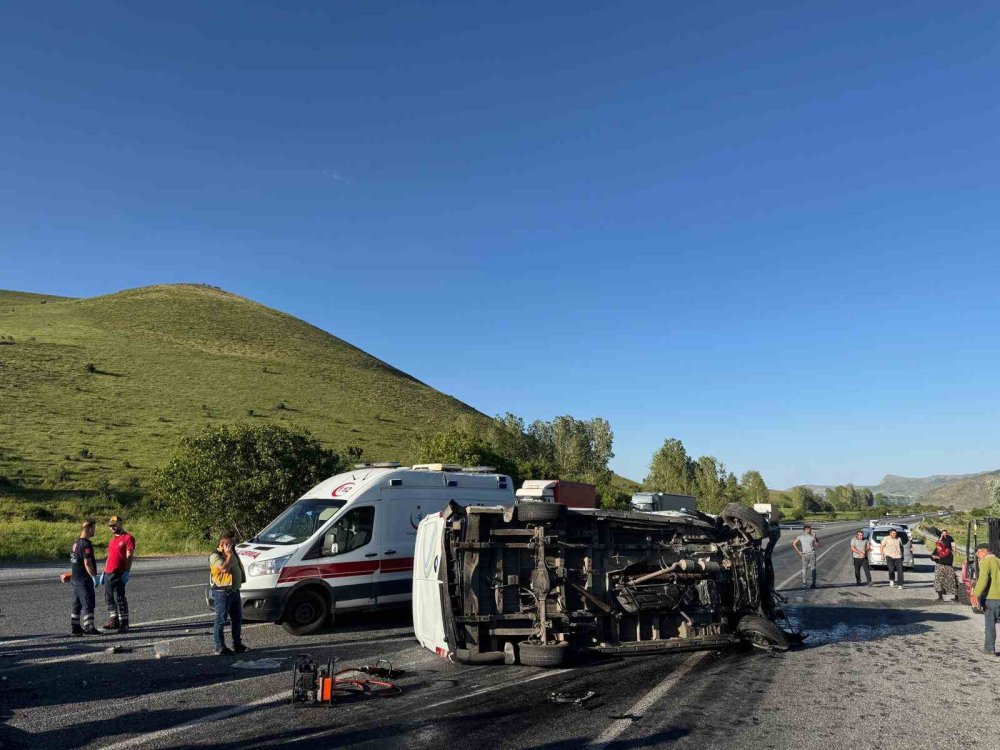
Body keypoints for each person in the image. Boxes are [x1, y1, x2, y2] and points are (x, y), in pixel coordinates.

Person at [209, 531, 248, 656]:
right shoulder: (215, 556)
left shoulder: (232, 551)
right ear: (222, 544)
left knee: (237, 619)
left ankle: (237, 644)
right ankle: (219, 647)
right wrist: (229, 555)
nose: (232, 545)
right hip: (222, 592)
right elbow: (223, 568)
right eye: (230, 543)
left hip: (234, 591)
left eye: (233, 542)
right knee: (220, 619)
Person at [102, 515, 136, 633]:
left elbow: (129, 556)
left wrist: (126, 571)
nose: (112, 527)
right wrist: (104, 571)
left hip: (118, 573)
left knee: (119, 598)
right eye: (110, 526)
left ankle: (124, 623)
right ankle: (114, 620)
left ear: (120, 524)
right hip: (108, 573)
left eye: (114, 525)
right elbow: (110, 557)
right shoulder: (112, 540)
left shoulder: (128, 538)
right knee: (109, 598)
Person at [68, 519, 101, 635]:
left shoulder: (76, 543)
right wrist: (94, 576)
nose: (94, 531)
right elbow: (87, 563)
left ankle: (75, 626)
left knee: (77, 603)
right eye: (93, 529)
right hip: (84, 579)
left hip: (76, 579)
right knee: (88, 601)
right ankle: (89, 626)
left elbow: (75, 562)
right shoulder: (86, 544)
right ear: (89, 528)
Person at [972, 543, 1000, 655]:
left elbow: (983, 579)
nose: (977, 555)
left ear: (984, 551)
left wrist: (976, 594)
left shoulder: (985, 561)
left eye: (978, 552)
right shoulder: (998, 560)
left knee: (990, 624)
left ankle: (989, 648)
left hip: (992, 598)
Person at [931, 529, 958, 602]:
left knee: (952, 582)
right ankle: (940, 597)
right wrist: (934, 558)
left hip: (948, 567)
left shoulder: (949, 551)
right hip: (939, 567)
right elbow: (932, 556)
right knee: (937, 581)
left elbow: (948, 561)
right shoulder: (937, 549)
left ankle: (956, 597)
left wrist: (939, 558)